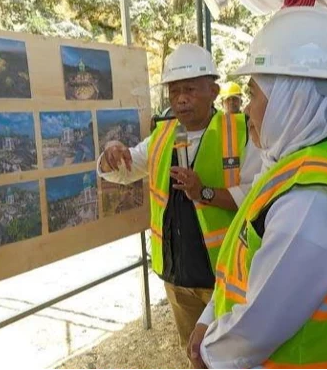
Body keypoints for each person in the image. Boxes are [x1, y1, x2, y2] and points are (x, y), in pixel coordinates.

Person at [188, 6, 327, 369]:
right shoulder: (307, 161)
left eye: (254, 94)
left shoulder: (310, 198)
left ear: (295, 99)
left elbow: (256, 329)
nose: (246, 110)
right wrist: (208, 315)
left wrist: (208, 353)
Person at [97, 43, 261, 359]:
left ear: (213, 91)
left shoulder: (242, 131)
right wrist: (111, 156)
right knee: (195, 355)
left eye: (189, 89)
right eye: (174, 92)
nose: (180, 99)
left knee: (233, 359)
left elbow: (256, 198)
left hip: (225, 279)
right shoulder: (162, 136)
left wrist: (205, 193)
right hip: (177, 279)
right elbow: (121, 170)